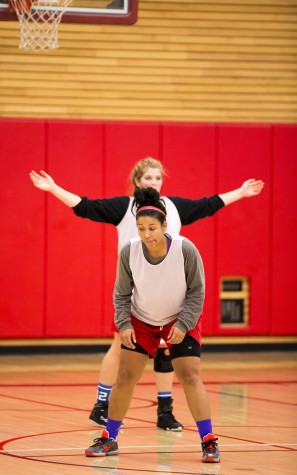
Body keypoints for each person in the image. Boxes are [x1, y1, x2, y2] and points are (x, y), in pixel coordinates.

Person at [29, 157, 264, 432]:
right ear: (137, 182)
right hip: (137, 294)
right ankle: (101, 406)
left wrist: (241, 192)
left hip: (170, 294)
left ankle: (165, 412)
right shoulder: (124, 208)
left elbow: (208, 204)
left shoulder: (173, 209)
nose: (153, 182)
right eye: (148, 178)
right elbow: (85, 206)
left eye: (157, 178)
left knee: (167, 352)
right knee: (120, 347)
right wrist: (54, 188)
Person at [85, 186, 220, 463]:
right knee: (125, 377)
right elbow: (121, 294)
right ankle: (110, 439)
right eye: (141, 228)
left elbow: (197, 291)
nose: (146, 234)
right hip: (141, 319)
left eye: (152, 228)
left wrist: (184, 323)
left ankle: (208, 441)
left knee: (190, 375)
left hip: (180, 318)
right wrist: (123, 325)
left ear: (165, 225)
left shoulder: (185, 248)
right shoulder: (129, 251)